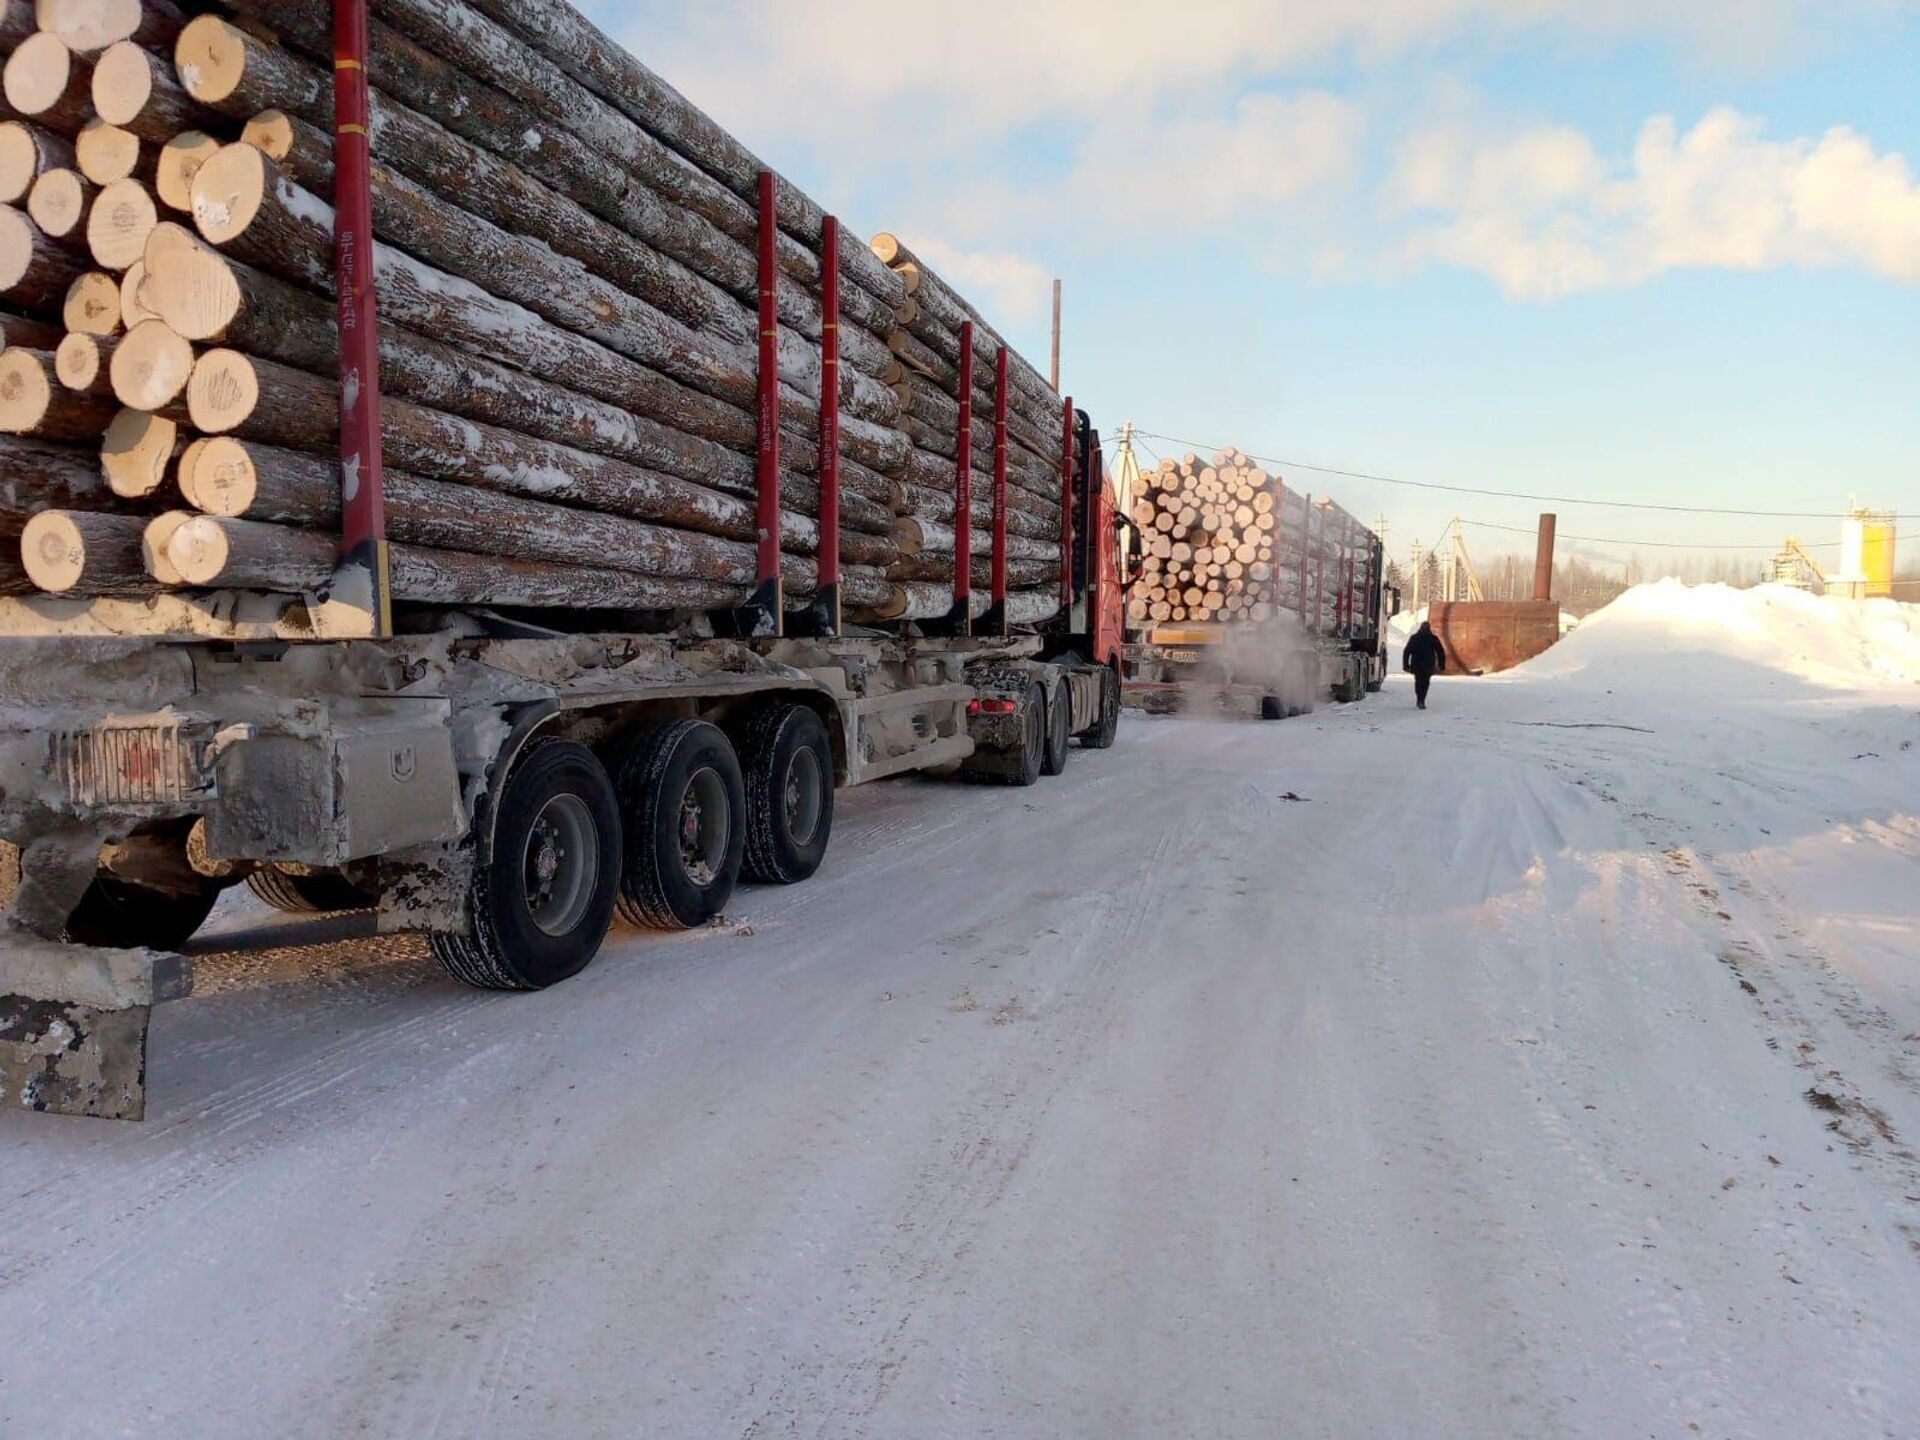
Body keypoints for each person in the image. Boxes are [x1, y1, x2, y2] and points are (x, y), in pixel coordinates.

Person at [1402, 620, 1447, 709]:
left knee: (1418, 682)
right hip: (1428, 665)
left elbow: (1407, 651)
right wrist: (1441, 665)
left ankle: (1419, 699)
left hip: (1416, 665)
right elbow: (1440, 652)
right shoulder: (1433, 638)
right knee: (1425, 683)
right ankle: (1422, 700)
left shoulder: (1414, 638)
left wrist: (1406, 665)